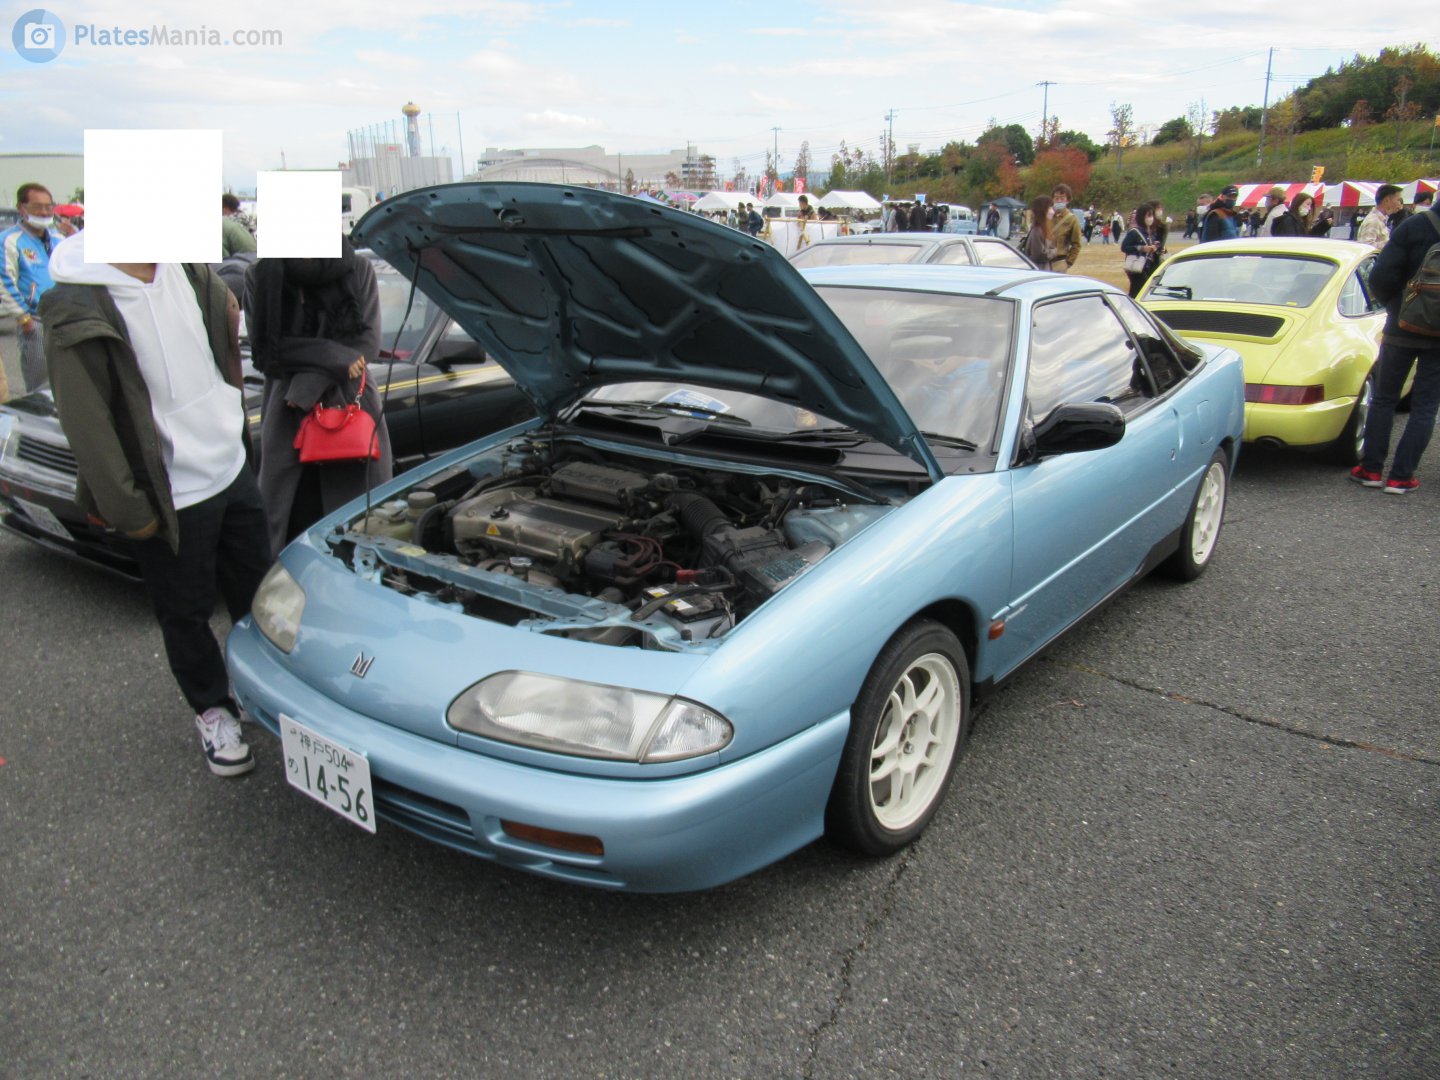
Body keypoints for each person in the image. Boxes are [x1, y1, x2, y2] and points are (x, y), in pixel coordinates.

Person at [40, 230, 271, 776]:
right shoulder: (80, 300)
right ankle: (214, 710)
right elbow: (86, 422)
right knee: (185, 613)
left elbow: (221, 343)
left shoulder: (188, 270)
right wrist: (128, 509)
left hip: (229, 466)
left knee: (257, 594)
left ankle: (258, 689)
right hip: (168, 492)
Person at [244, 238, 393, 555]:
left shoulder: (357, 268)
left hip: (350, 411)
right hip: (288, 418)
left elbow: (366, 345)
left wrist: (306, 387)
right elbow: (267, 351)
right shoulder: (262, 275)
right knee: (291, 536)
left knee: (357, 534)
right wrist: (332, 355)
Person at [1350, 203, 1440, 494]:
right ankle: (1402, 476)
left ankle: (1372, 469)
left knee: (1385, 398)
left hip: (1401, 327)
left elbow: (1380, 276)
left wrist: (1396, 306)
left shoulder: (1414, 226)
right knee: (1425, 406)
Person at [0, 183, 64, 392]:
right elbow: (4, 279)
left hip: (65, 318)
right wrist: (23, 317)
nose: (45, 212)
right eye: (37, 207)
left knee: (69, 378)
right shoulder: (10, 240)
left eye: (49, 206)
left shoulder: (57, 238)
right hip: (35, 320)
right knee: (41, 383)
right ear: (21, 207)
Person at [1120, 202, 1162, 298]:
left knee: (1140, 292)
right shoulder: (1134, 232)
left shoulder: (1151, 232)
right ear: (1142, 216)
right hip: (1137, 267)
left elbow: (1156, 243)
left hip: (1149, 267)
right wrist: (1142, 248)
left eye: (1152, 215)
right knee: (1140, 292)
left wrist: (1155, 247)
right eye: (1149, 215)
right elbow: (1124, 247)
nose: (1151, 218)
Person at [1021, 195, 1063, 271]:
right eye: (1050, 208)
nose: (1052, 211)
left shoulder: (1041, 229)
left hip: (1042, 270)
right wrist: (1055, 251)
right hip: (1039, 271)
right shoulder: (1037, 231)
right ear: (1042, 210)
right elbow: (1039, 255)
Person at [1357, 185, 1402, 250]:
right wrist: (1392, 243)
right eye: (1398, 200)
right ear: (1387, 200)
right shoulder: (1373, 221)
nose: (1399, 204)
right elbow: (1366, 247)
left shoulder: (1382, 220)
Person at [1049, 184, 1082, 271]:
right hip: (1042, 262)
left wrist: (1068, 262)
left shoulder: (1071, 219)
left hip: (1059, 261)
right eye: (1056, 198)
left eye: (1062, 198)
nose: (1059, 201)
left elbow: (1076, 244)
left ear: (1068, 200)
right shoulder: (1046, 216)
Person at [221, 193, 257, 259]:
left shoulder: (227, 223)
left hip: (243, 262)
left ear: (225, 209)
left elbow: (224, 258)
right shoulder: (246, 218)